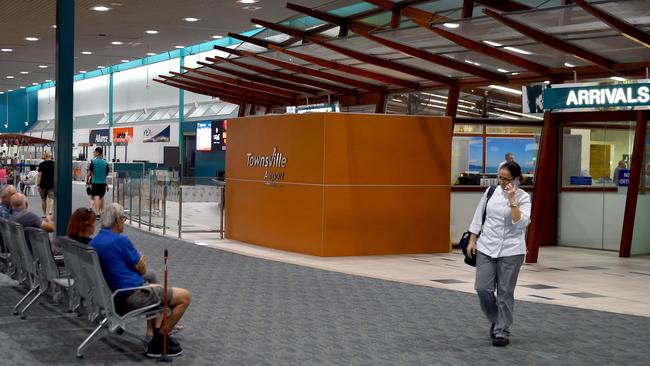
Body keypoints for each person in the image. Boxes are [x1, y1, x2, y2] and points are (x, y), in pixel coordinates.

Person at [90, 203, 191, 358]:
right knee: (185, 296)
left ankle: (155, 330)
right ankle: (160, 340)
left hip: (114, 295)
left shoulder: (95, 242)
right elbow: (142, 269)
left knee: (155, 283)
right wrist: (141, 263)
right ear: (118, 220)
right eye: (123, 218)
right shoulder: (121, 240)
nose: (123, 222)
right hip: (130, 296)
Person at [467, 161, 531, 347]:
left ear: (517, 180)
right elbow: (478, 216)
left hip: (512, 250)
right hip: (487, 246)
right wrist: (473, 239)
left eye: (506, 179)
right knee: (482, 288)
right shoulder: (490, 192)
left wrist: (512, 201)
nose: (501, 182)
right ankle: (497, 319)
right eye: (500, 177)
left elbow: (521, 223)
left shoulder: (524, 198)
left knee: (505, 292)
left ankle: (502, 331)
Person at [87, 147, 110, 217]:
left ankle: (97, 213)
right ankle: (100, 211)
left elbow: (89, 173)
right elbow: (106, 174)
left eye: (95, 152)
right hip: (103, 183)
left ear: (97, 152)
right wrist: (107, 184)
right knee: (101, 197)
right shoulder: (105, 162)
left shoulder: (93, 162)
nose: (94, 153)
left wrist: (87, 180)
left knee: (96, 197)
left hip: (95, 182)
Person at [37, 151, 55, 217]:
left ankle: (44, 214)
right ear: (51, 156)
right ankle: (50, 210)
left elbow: (39, 175)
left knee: (43, 199)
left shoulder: (41, 164)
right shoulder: (54, 164)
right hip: (52, 183)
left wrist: (38, 185)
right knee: (52, 198)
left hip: (43, 183)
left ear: (45, 156)